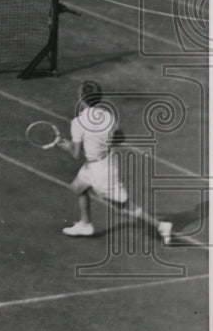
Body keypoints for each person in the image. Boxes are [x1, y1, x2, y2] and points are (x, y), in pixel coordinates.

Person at [58, 80, 172, 244]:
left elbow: (75, 154)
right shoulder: (108, 116)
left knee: (124, 208)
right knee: (77, 187)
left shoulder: (77, 123)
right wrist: (100, 144)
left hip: (99, 172)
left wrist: (67, 146)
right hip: (103, 162)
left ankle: (161, 226)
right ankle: (85, 224)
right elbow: (120, 137)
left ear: (81, 97)